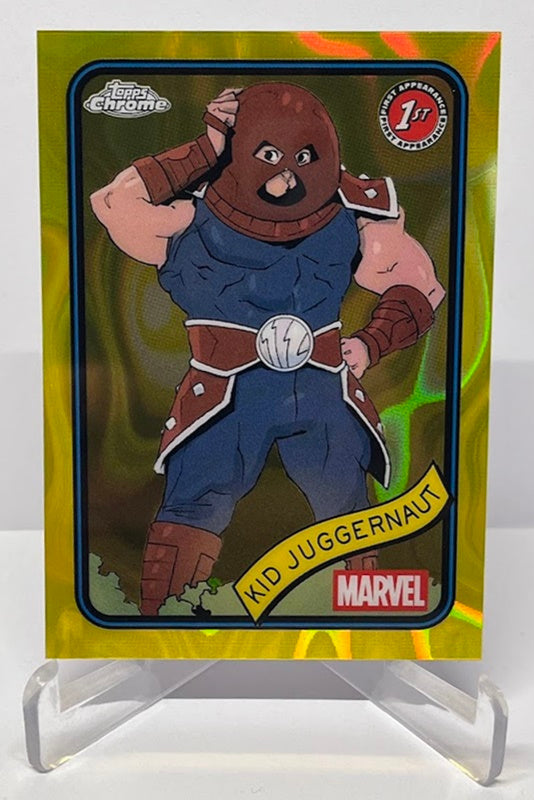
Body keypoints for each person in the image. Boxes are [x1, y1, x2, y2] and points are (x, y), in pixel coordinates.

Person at [91, 82, 445, 616]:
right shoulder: (189, 219)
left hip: (323, 392)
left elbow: (421, 286)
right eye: (269, 156)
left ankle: (367, 627)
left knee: (350, 514)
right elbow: (113, 203)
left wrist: (371, 344)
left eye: (304, 158)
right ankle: (164, 630)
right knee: (191, 511)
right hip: (225, 395)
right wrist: (207, 148)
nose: (286, 177)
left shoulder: (351, 218)